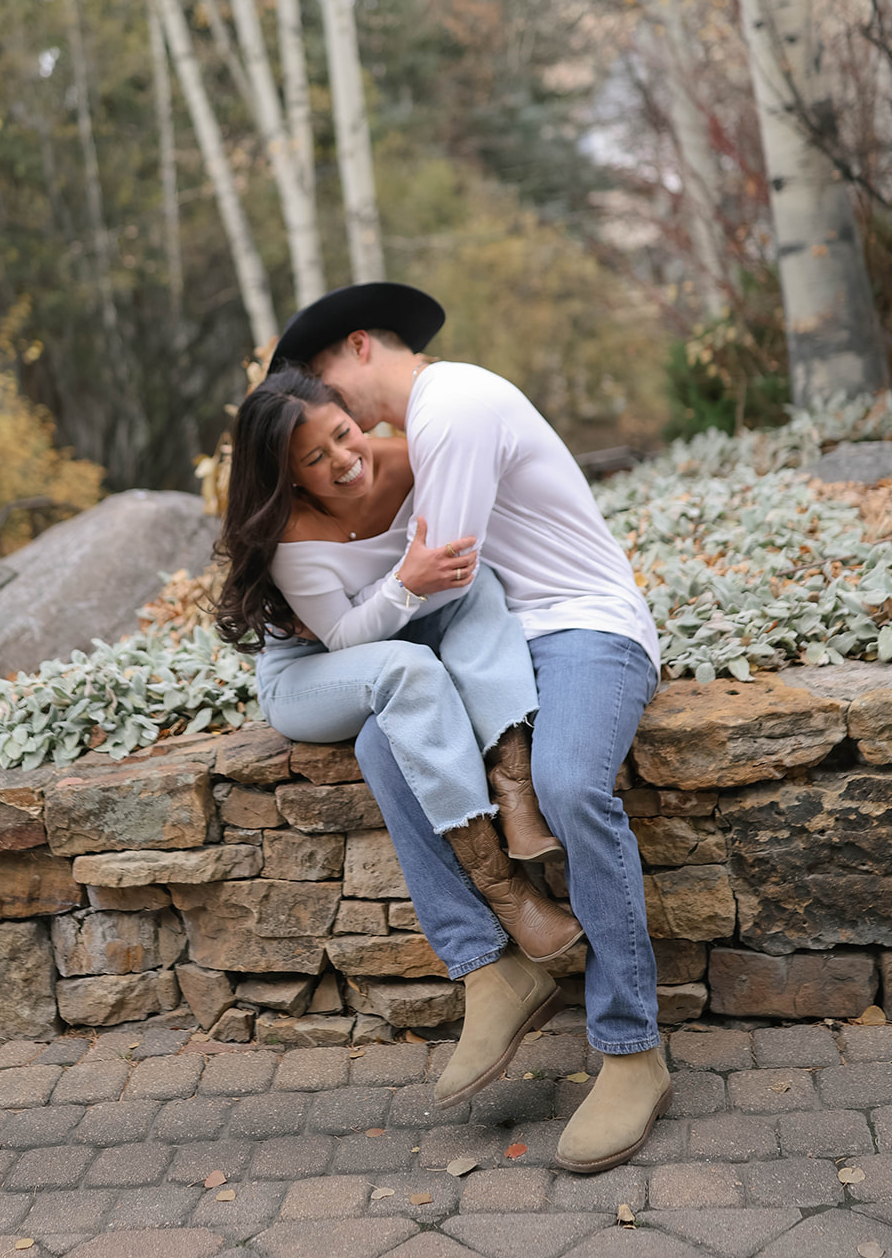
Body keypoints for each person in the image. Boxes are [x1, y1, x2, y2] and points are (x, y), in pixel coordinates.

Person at [268, 282, 668, 1176]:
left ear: (361, 347)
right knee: (382, 739)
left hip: (582, 627)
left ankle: (631, 1047)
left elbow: (440, 575)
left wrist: (355, 604)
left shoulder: (455, 405)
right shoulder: (425, 423)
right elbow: (418, 584)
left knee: (569, 784)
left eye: (324, 379)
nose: (335, 412)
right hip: (500, 644)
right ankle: (491, 966)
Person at [214, 364, 584, 975]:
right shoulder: (288, 534)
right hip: (311, 676)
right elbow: (339, 636)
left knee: (476, 583)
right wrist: (406, 584)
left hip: (395, 633)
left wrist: (418, 589)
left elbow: (461, 555)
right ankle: (507, 894)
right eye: (312, 459)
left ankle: (516, 790)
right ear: (288, 478)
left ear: (356, 419)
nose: (342, 460)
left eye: (341, 433)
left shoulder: (412, 460)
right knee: (408, 669)